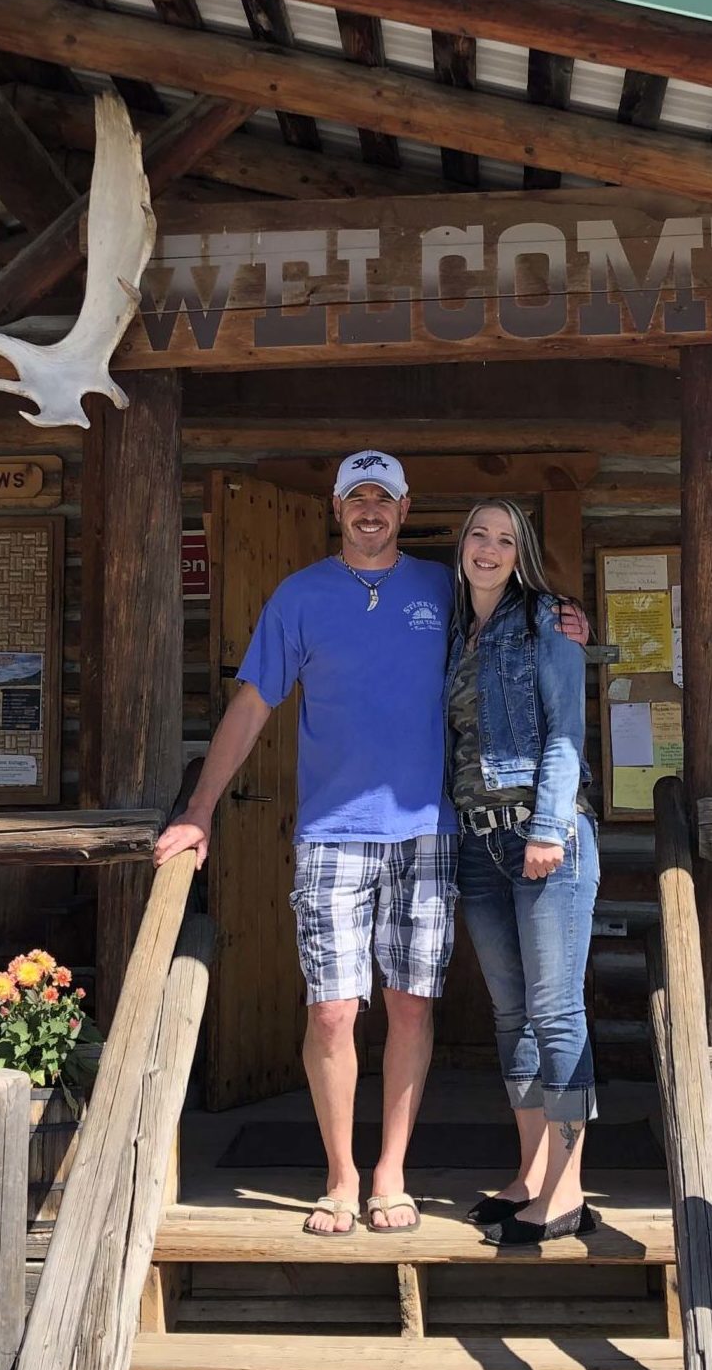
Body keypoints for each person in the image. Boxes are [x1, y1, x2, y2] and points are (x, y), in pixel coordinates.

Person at [154, 452, 584, 1239]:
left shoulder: (441, 587)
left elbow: (513, 612)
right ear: (337, 506)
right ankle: (341, 1176)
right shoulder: (299, 596)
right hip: (332, 836)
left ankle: (390, 1173)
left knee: (412, 1007)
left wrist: (567, 615)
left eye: (384, 498)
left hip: (428, 828)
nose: (371, 510)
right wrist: (200, 807)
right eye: (358, 498)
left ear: (405, 505)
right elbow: (252, 706)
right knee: (330, 1012)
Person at [446, 498, 600, 1245]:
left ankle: (568, 1189)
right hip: (479, 844)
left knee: (556, 1010)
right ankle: (531, 1172)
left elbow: (566, 730)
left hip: (546, 840)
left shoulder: (547, 619)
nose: (489, 547)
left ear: (522, 552)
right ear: (461, 543)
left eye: (505, 538)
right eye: (479, 533)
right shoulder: (452, 630)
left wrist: (547, 825)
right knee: (513, 1017)